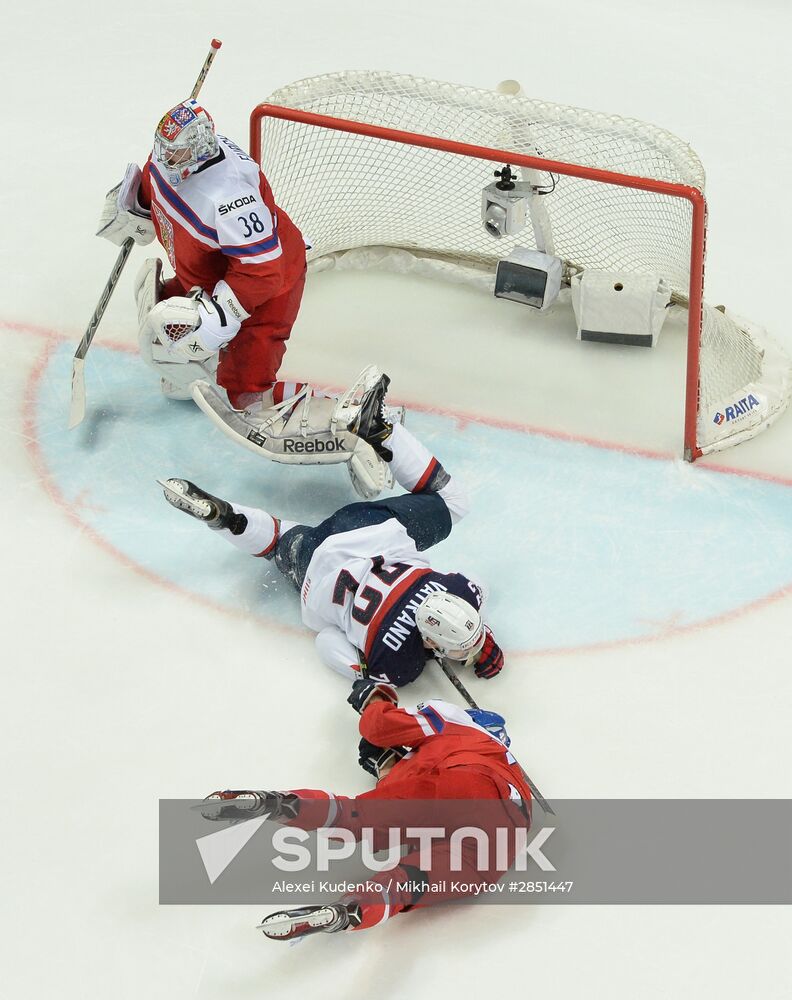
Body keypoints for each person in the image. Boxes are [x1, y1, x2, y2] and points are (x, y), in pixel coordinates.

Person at [96, 98, 392, 498]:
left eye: (176, 152)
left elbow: (262, 272)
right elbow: (156, 183)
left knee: (247, 396)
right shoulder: (172, 161)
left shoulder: (231, 197)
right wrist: (135, 205)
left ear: (200, 149)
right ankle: (200, 368)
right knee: (165, 319)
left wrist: (221, 314)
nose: (165, 158)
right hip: (208, 273)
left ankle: (356, 421)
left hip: (266, 288)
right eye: (163, 148)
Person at [159, 378, 505, 687]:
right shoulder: (398, 667)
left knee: (453, 502)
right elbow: (327, 642)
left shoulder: (462, 592)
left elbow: (477, 586)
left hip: (369, 527)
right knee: (279, 541)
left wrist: (481, 637)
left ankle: (380, 429)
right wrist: (365, 676)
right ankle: (225, 518)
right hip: (316, 564)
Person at [199, 679, 532, 941]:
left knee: (351, 818)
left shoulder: (457, 721)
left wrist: (375, 698)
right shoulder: (509, 769)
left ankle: (277, 804)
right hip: (501, 844)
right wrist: (388, 768)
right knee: (406, 884)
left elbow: (380, 729)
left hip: (463, 785)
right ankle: (349, 912)